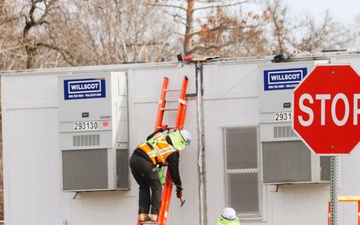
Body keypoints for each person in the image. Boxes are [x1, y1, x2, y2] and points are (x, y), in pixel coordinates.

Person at [130, 125, 191, 222]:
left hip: (134, 159)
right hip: (146, 163)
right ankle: (154, 214)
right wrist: (179, 187)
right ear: (181, 143)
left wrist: (160, 129)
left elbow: (149, 138)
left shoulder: (159, 135)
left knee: (144, 186)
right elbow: (174, 171)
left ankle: (143, 214)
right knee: (157, 186)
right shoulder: (173, 152)